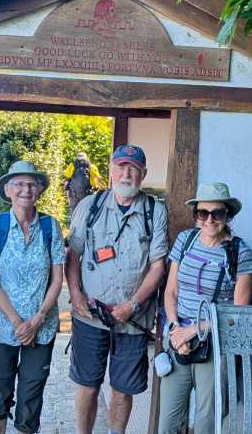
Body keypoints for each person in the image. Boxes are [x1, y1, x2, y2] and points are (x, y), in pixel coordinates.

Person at [66, 144, 168, 434]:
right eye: (121, 167)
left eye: (134, 168)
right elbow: (73, 255)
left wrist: (132, 305)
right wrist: (75, 294)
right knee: (87, 384)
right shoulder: (91, 205)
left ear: (143, 174)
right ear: (111, 171)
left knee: (123, 389)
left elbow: (158, 266)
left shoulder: (155, 211)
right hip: (90, 315)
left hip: (134, 319)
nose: (127, 174)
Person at [0, 160, 66, 434]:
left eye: (31, 184)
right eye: (19, 184)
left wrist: (37, 320)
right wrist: (18, 322)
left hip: (42, 327)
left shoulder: (51, 227)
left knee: (31, 394)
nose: (26, 189)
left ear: (39, 190)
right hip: (1, 326)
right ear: (9, 190)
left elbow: (57, 278)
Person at [159, 183, 252, 434]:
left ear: (228, 215)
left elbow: (238, 314)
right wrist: (174, 329)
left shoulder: (240, 253)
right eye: (203, 213)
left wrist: (194, 330)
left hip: (214, 343)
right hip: (176, 338)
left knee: (206, 421)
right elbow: (171, 291)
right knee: (168, 421)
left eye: (218, 213)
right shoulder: (186, 239)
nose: (210, 219)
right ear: (196, 215)